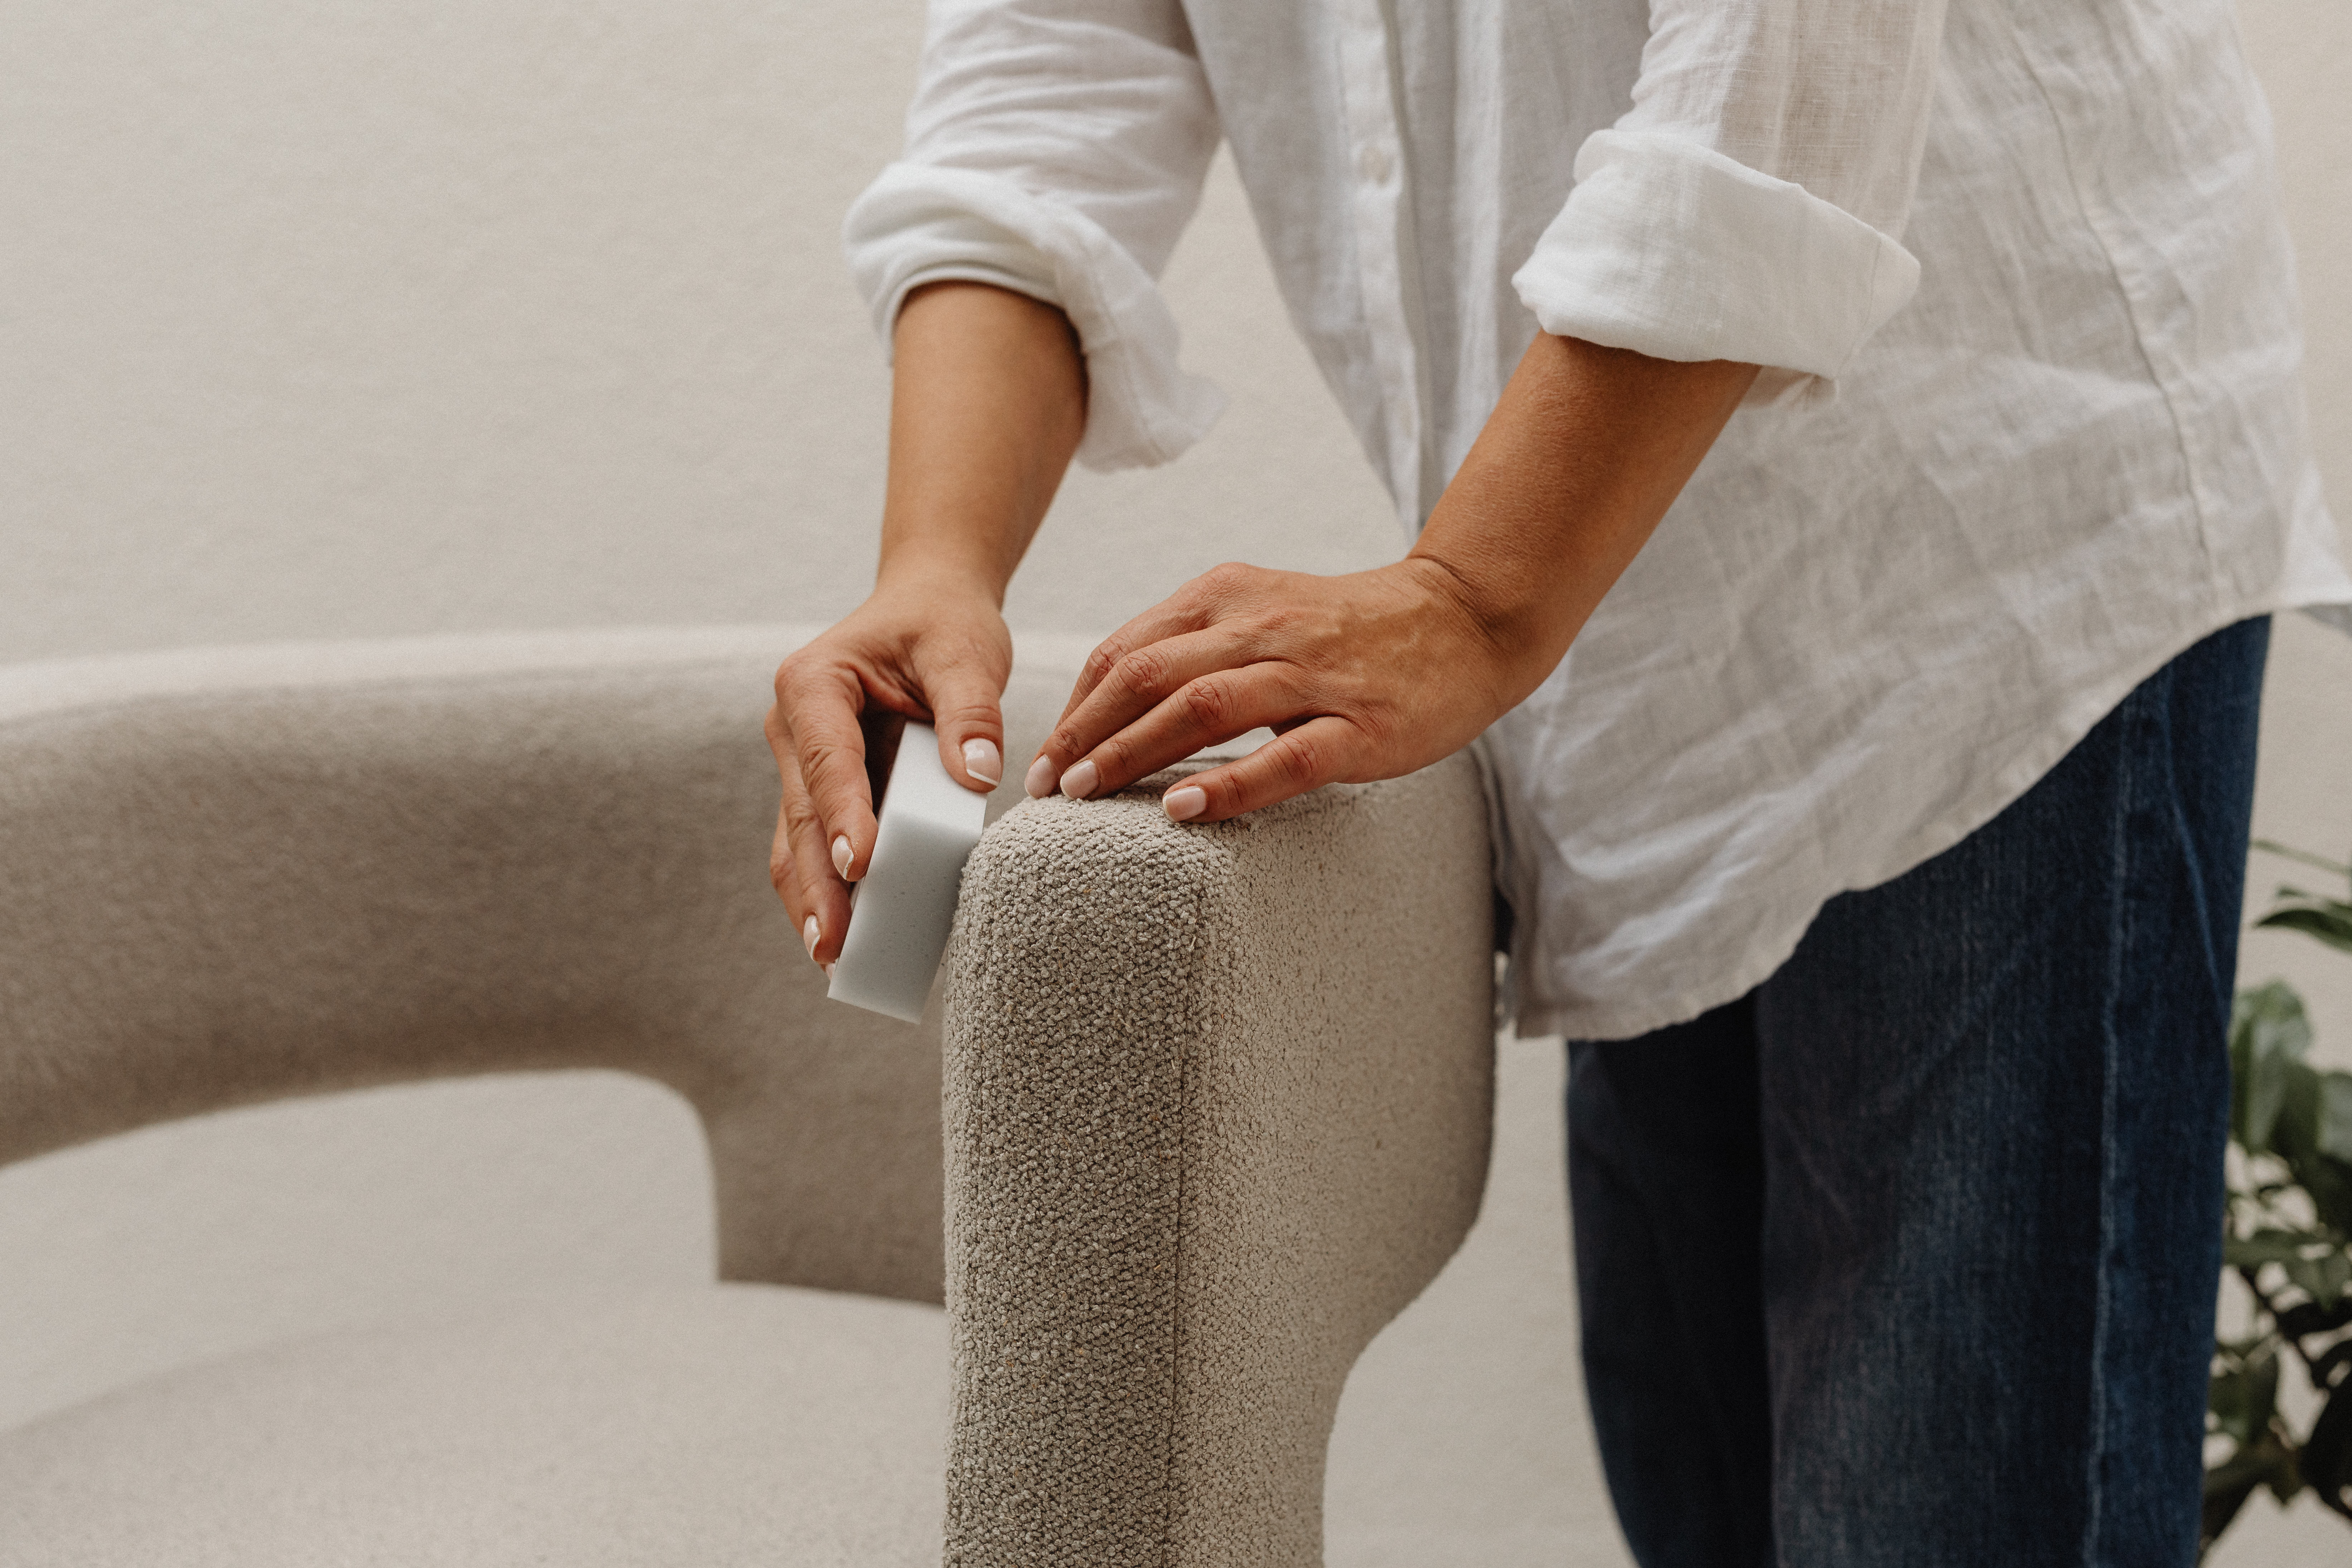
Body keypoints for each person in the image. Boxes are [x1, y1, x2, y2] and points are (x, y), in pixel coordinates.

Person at [766, 0, 2352, 1561]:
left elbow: (1790, 47)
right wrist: (936, 554)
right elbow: (1061, 52)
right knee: (1700, 1491)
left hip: (1974, 558)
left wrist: (1472, 594)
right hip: (1614, 620)